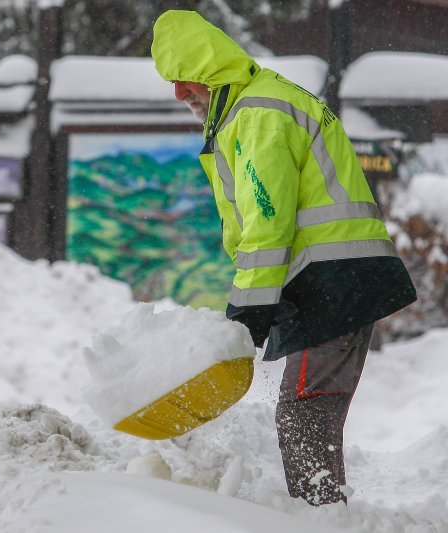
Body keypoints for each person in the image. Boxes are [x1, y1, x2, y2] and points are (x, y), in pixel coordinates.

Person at [151, 11, 416, 506]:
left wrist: (248, 310)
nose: (179, 95)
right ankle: (321, 513)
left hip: (333, 279)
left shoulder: (257, 115)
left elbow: (268, 224)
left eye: (186, 81)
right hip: (334, 276)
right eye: (173, 83)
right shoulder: (254, 106)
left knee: (305, 414)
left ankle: (320, 517)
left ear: (209, 73)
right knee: (308, 410)